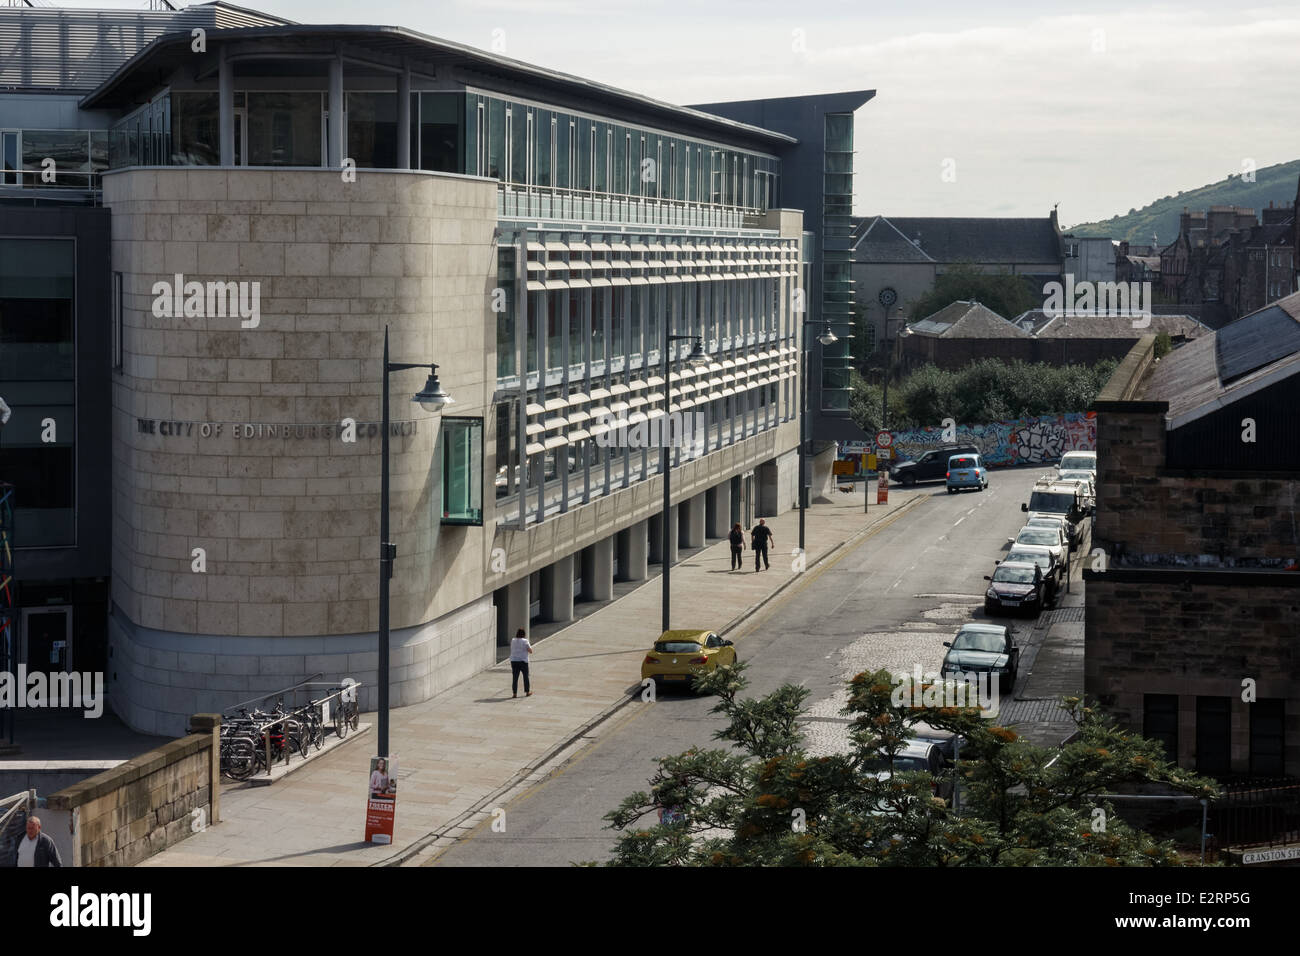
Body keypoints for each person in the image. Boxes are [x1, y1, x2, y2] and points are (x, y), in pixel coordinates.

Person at [510, 627, 533, 698]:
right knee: (525, 677)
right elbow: (530, 651)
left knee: (515, 678)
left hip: (514, 661)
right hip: (523, 661)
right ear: (524, 634)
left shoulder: (513, 640)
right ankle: (527, 692)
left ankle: (514, 693)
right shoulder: (525, 641)